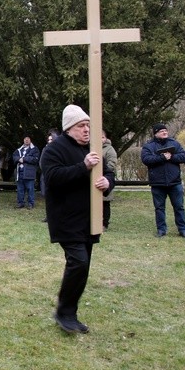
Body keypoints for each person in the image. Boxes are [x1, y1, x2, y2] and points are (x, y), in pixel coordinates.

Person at [40, 104, 114, 334]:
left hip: (89, 219)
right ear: (69, 128)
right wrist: (83, 167)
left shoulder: (91, 149)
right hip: (66, 218)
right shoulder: (54, 150)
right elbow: (52, 178)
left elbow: (108, 172)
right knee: (78, 262)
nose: (86, 130)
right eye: (82, 126)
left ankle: (69, 312)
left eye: (88, 126)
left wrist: (107, 182)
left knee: (83, 266)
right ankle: (64, 312)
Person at [141, 123, 185, 238]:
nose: (165, 132)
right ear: (156, 133)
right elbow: (146, 159)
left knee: (179, 207)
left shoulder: (174, 144)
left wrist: (172, 157)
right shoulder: (149, 146)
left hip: (174, 182)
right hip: (158, 183)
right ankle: (161, 229)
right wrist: (162, 157)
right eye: (162, 131)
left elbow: (184, 156)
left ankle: (183, 229)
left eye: (166, 130)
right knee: (159, 208)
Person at [13, 135, 40, 209]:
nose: (26, 140)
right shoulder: (19, 149)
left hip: (29, 173)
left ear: (30, 140)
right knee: (20, 189)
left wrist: (24, 159)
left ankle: (31, 203)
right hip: (20, 172)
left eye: (28, 139)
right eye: (25, 139)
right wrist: (19, 159)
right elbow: (14, 157)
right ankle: (20, 203)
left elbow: (35, 159)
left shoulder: (35, 149)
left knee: (30, 189)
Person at [101, 130, 118, 231]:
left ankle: (104, 223)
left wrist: (101, 172)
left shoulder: (110, 149)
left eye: (102, 137)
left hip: (105, 178)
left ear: (105, 138)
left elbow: (111, 164)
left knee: (105, 203)